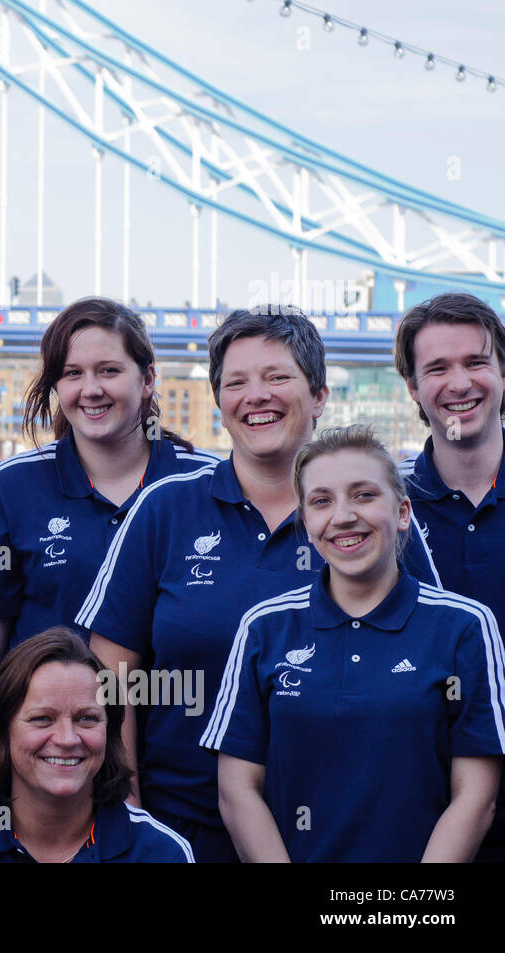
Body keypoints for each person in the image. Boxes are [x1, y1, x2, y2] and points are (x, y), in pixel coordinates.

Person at [73, 305, 440, 862]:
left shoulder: (370, 516)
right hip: (186, 833)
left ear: (319, 396)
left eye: (277, 377)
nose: (256, 396)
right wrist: (129, 821)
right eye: (236, 382)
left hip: (354, 840)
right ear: (219, 404)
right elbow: (110, 677)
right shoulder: (166, 510)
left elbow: (442, 664)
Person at [0, 297, 217, 809]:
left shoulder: (207, 485)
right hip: (47, 783)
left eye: (109, 370)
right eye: (72, 373)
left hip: (193, 785)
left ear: (148, 378)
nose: (91, 389)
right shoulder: (12, 487)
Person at [202, 425, 504, 862]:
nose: (343, 516)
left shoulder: (465, 626)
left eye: (364, 495)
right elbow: (237, 791)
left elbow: (476, 798)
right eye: (322, 501)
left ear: (403, 513)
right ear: (306, 524)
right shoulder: (263, 628)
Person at [0, 628, 192, 863]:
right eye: (42, 719)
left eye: (86, 719)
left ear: (110, 731)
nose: (66, 739)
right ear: (1, 731)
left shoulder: (162, 853)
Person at [394, 291, 505, 861]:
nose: (459, 382)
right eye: (437, 368)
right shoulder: (380, 514)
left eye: (476, 362)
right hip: (420, 816)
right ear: (412, 388)